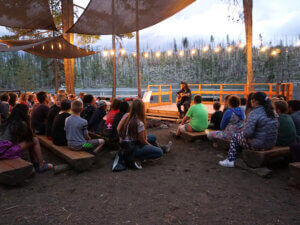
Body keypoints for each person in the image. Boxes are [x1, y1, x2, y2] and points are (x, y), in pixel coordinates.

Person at [219, 92, 279, 167]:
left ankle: (230, 160)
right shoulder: (272, 112)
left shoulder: (254, 113)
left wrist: (242, 133)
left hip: (259, 145)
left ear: (256, 101)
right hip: (271, 143)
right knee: (240, 136)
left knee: (235, 137)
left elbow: (248, 133)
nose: (250, 101)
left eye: (251, 100)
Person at [116, 99, 171, 170]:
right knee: (159, 152)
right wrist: (149, 145)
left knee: (153, 137)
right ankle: (139, 158)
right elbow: (142, 140)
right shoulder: (139, 123)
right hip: (133, 147)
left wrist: (121, 138)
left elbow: (118, 129)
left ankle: (163, 148)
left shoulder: (127, 115)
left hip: (128, 144)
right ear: (141, 109)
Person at [0, 104, 53, 172]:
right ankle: (41, 165)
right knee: (35, 140)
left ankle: (35, 163)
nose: (29, 113)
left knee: (31, 141)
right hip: (4, 151)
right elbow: (30, 137)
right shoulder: (21, 124)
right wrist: (29, 121)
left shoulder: (9, 121)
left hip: (2, 148)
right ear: (24, 113)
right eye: (28, 112)